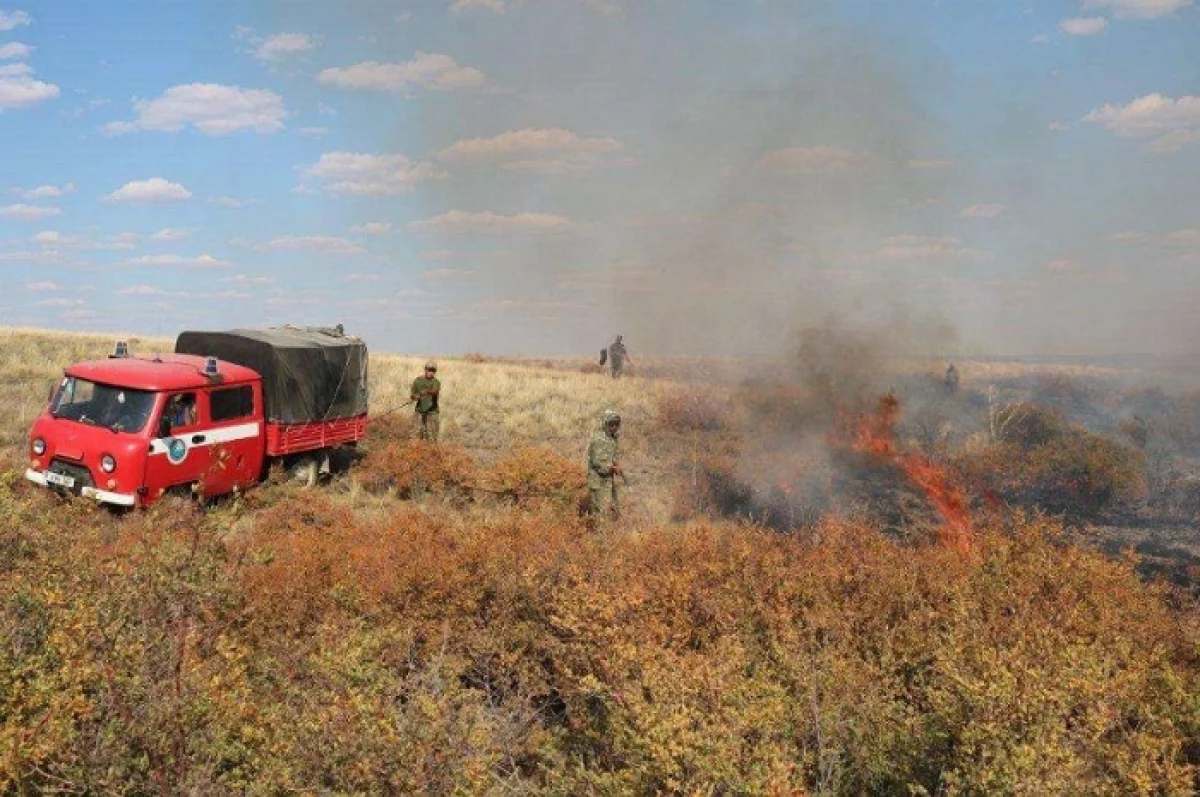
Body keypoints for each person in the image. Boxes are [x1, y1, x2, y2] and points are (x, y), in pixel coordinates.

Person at [587, 410, 623, 522]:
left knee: (613, 510)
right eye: (611, 424)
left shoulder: (613, 438)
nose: (614, 427)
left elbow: (613, 455)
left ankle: (608, 534)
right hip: (597, 481)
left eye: (616, 424)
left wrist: (616, 464)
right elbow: (596, 462)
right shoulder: (598, 440)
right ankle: (599, 537)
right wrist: (611, 468)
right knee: (600, 514)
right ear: (605, 424)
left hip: (608, 480)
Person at [410, 361, 441, 442]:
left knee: (432, 436)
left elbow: (435, 391)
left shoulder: (436, 382)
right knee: (415, 434)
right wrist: (415, 397)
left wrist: (426, 392)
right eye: (429, 370)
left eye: (433, 371)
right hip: (419, 411)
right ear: (425, 369)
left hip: (432, 412)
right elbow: (412, 395)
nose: (431, 372)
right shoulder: (417, 381)